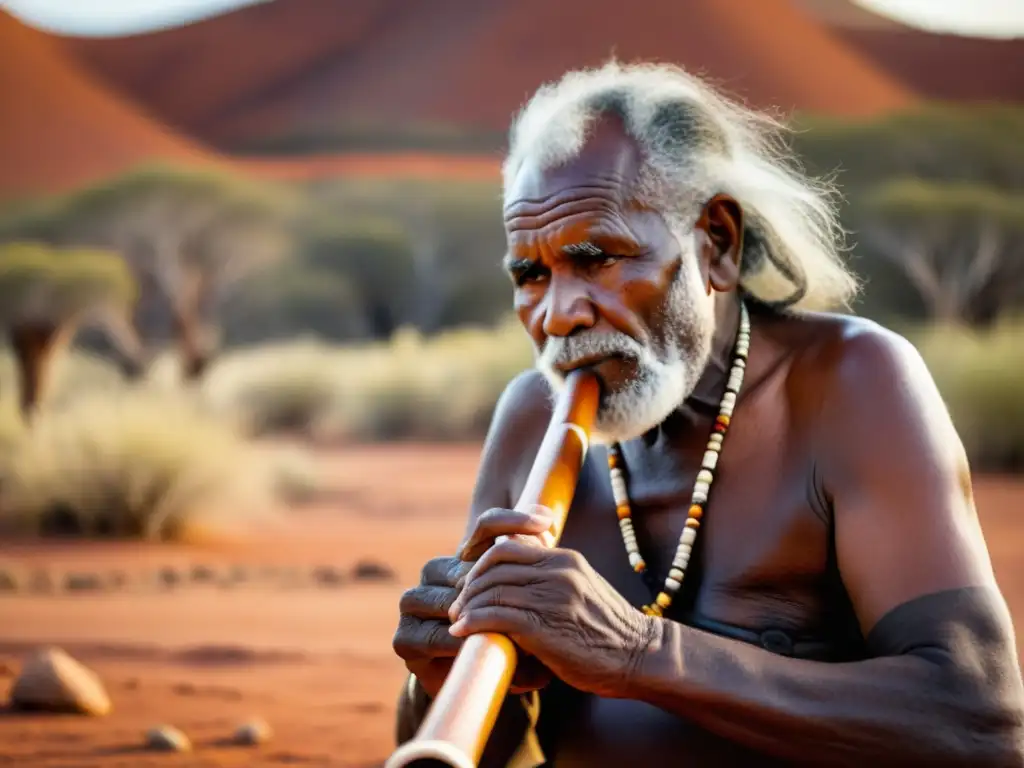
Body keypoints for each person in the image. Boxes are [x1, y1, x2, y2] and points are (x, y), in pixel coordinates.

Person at [391, 60, 1024, 767]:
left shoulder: (850, 384)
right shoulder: (528, 415)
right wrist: (438, 684)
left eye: (596, 258)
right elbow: (485, 750)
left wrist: (638, 651)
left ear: (715, 243)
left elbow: (978, 723)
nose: (559, 314)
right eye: (531, 275)